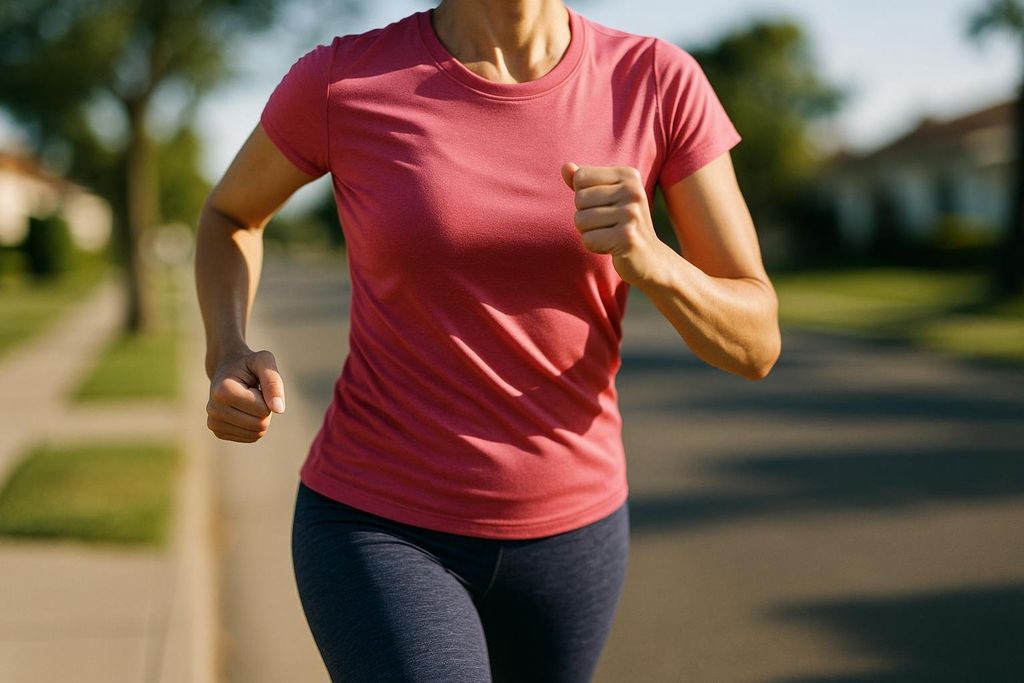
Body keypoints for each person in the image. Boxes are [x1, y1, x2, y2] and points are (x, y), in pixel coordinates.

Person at [194, 0, 781, 680]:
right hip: (380, 521)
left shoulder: (654, 80)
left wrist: (656, 260)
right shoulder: (342, 80)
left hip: (574, 535)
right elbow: (230, 214)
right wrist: (226, 349)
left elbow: (756, 340)